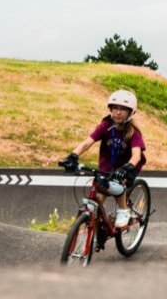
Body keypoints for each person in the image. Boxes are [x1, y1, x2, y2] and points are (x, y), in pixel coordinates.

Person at [58, 90, 147, 229]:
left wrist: (128, 166)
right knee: (98, 198)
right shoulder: (106, 126)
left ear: (131, 112)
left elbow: (136, 154)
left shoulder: (133, 132)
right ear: (110, 109)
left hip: (127, 167)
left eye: (123, 109)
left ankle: (123, 210)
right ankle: (95, 228)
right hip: (106, 167)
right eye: (115, 108)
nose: (118, 112)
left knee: (118, 185)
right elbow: (87, 142)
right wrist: (73, 156)